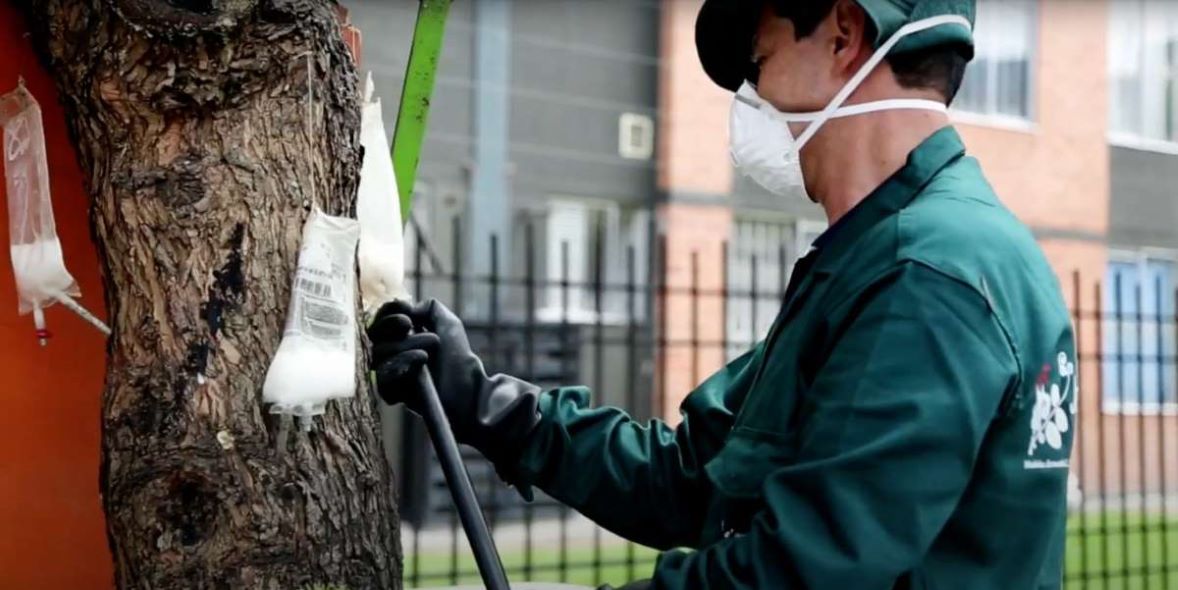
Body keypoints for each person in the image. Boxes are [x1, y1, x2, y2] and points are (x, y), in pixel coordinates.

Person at [369, 0, 1078, 588]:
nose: (751, 97)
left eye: (758, 62)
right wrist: (488, 405)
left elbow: (807, 572)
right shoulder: (883, 255)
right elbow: (692, 478)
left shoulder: (924, 274)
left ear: (843, 33)